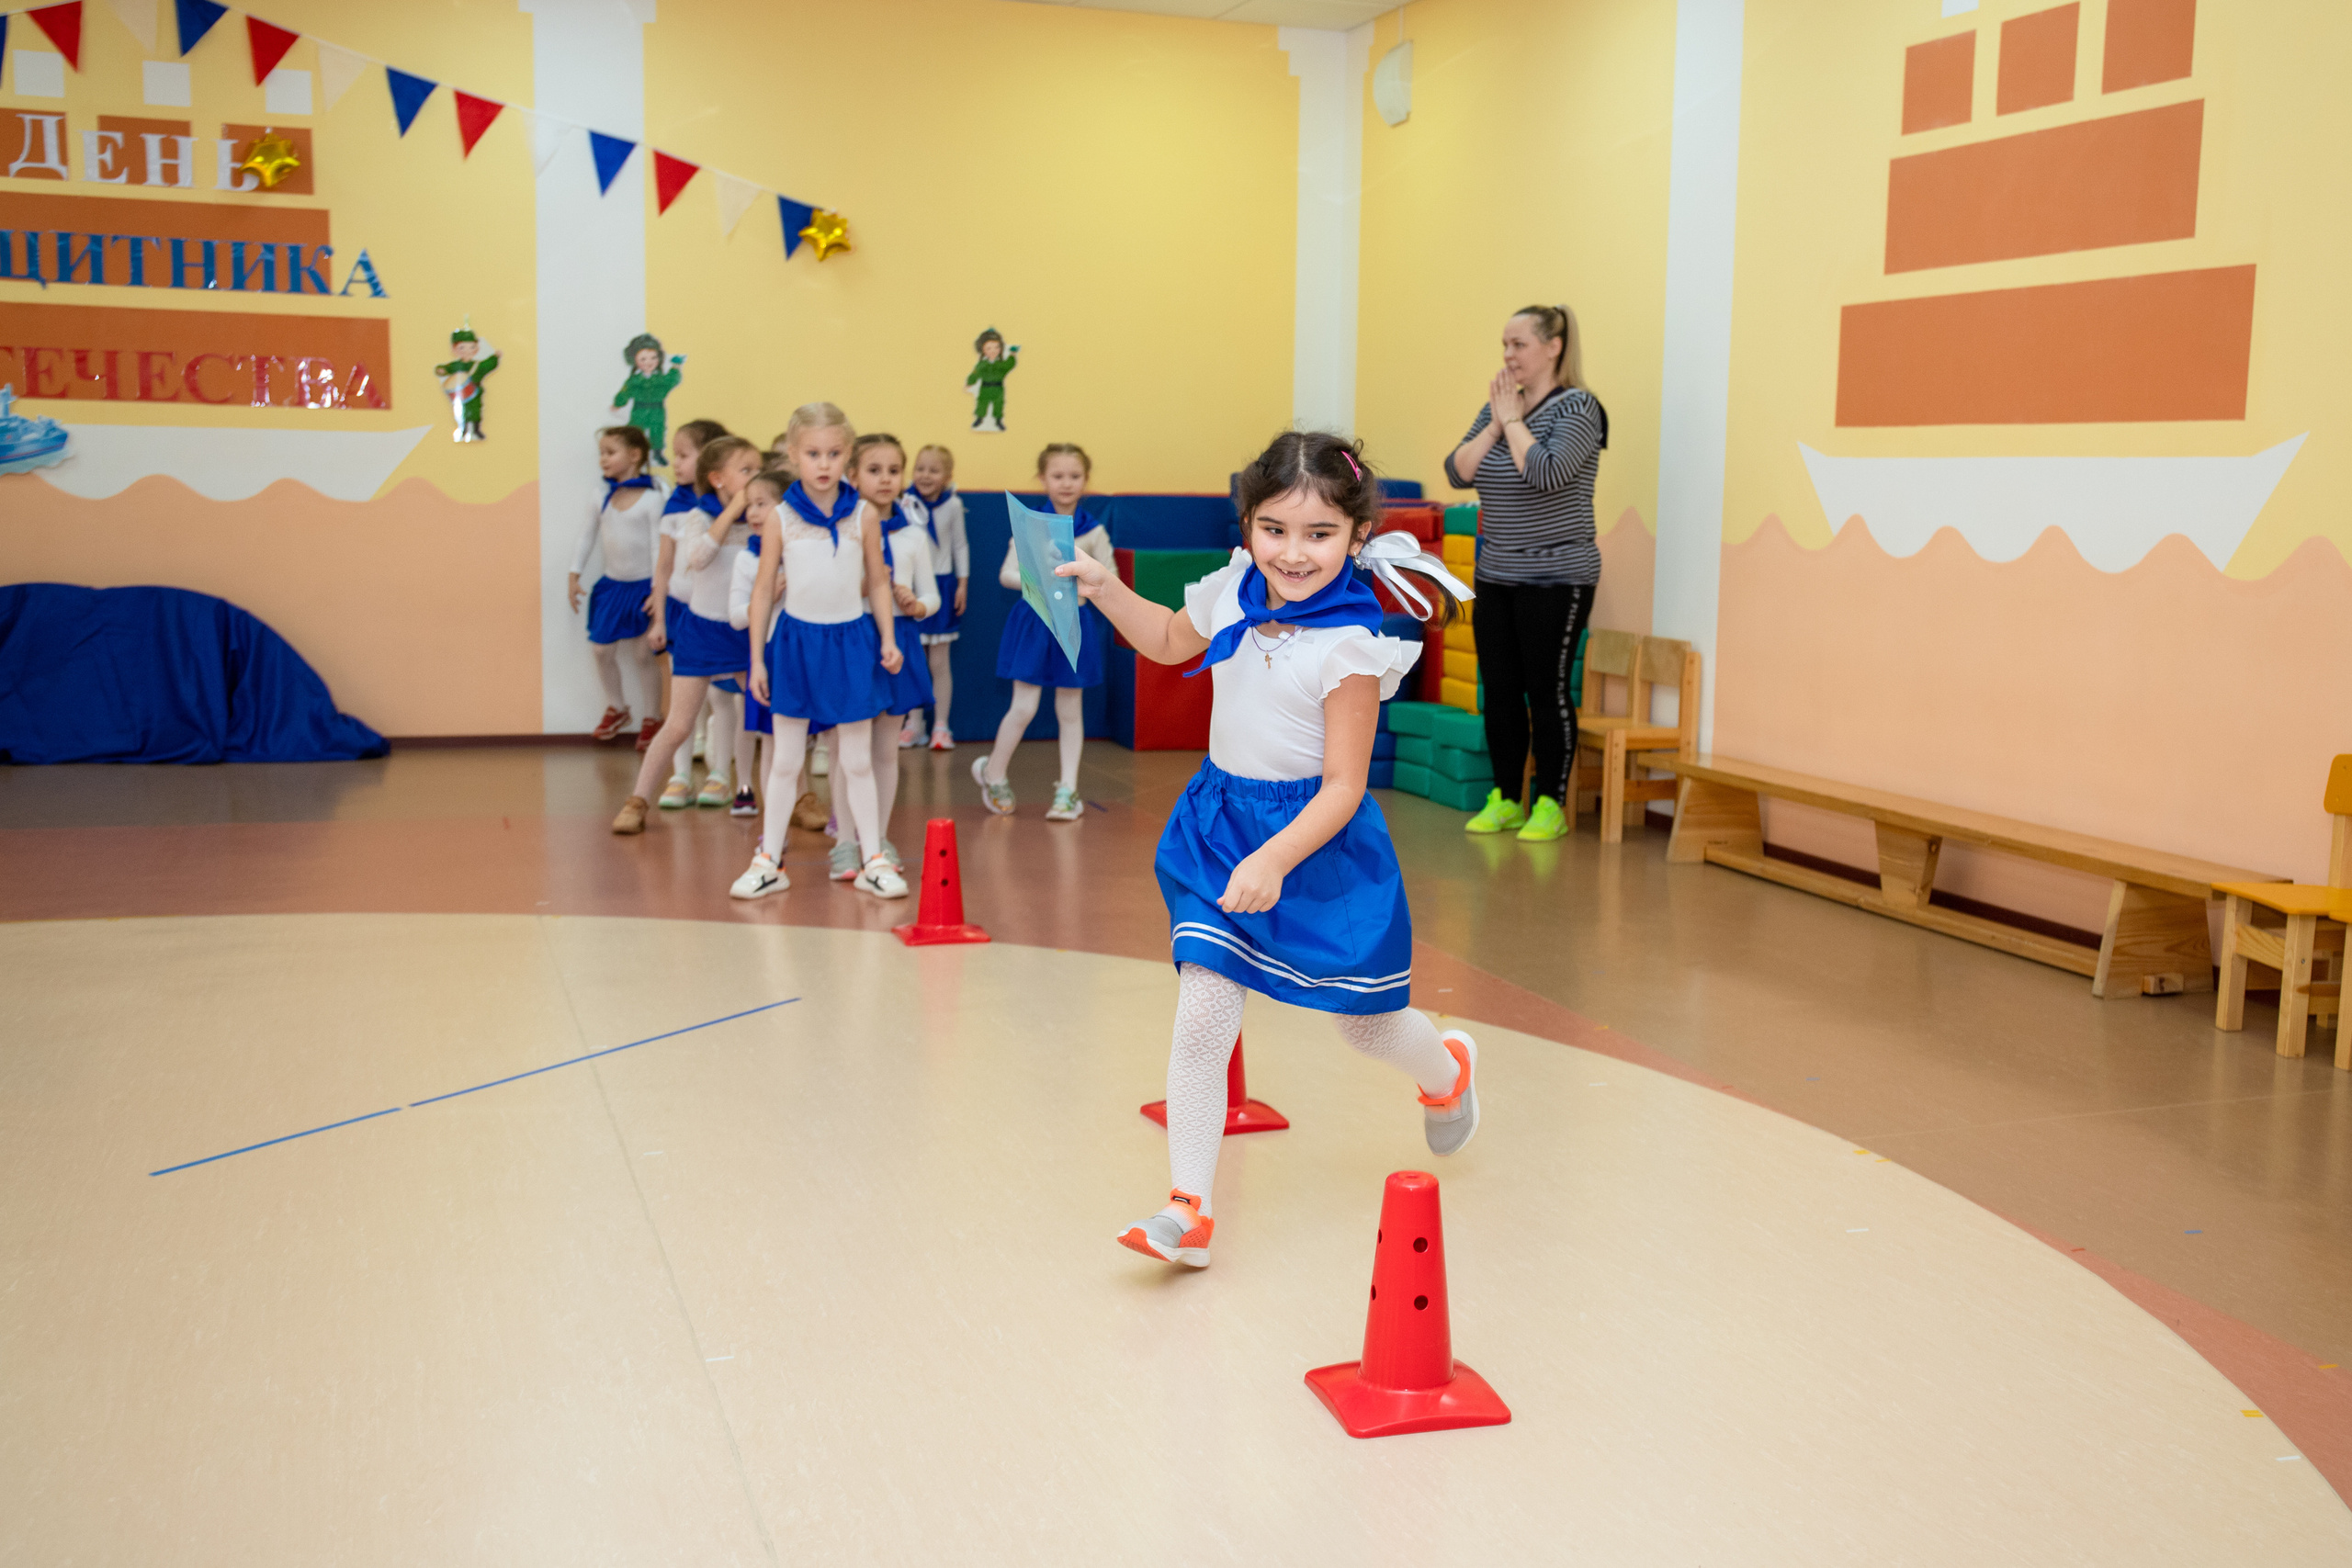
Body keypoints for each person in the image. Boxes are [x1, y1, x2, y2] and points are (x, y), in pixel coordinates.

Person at [1056, 431, 1478, 1269]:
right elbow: (1172, 640)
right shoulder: (1231, 590)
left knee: (1366, 1026)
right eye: (1274, 529)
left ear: (1356, 537)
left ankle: (1449, 1069)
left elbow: (1344, 788)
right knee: (1204, 1012)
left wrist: (1276, 859)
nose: (1293, 553)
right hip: (1221, 828)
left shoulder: (1350, 644)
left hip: (1316, 846)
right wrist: (1107, 590)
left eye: (1319, 534)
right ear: (1246, 525)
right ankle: (1190, 1207)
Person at [730, 406, 910, 902]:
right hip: (794, 645)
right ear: (794, 456)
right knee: (786, 760)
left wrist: (888, 638)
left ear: (847, 457)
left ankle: (872, 858)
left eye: (834, 454)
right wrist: (758, 658)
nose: (823, 464)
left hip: (851, 645)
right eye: (813, 454)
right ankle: (769, 860)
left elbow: (878, 581)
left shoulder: (864, 515)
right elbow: (764, 590)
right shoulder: (781, 518)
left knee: (855, 760)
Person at [1442, 302, 1607, 842]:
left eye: (1519, 345)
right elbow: (1458, 470)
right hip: (1498, 574)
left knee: (1546, 688)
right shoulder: (1499, 406)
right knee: (1502, 690)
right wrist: (1496, 423)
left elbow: (1547, 472)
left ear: (1553, 346)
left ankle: (1550, 805)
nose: (1508, 356)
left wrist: (1512, 422)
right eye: (1504, 346)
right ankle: (1507, 797)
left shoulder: (1579, 408)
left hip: (1558, 576)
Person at [614, 435, 760, 834]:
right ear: (717, 479)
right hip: (701, 631)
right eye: (746, 471)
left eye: (757, 470)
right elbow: (697, 559)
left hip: (745, 632)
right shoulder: (698, 516)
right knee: (678, 724)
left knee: (759, 717)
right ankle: (638, 800)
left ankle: (761, 790)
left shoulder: (763, 519)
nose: (754, 478)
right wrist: (731, 511)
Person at [821, 433, 940, 884]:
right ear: (853, 476)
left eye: (893, 470)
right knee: (845, 750)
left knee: (886, 750)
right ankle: (846, 842)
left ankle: (879, 837)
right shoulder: (841, 530)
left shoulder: (913, 535)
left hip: (901, 643)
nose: (885, 479)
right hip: (853, 641)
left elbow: (931, 594)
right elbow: (824, 593)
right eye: (874, 470)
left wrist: (916, 605)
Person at [975, 443, 1112, 822]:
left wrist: (1082, 582)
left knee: (1070, 709)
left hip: (1074, 622)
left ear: (1085, 480)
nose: (1066, 484)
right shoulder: (1031, 525)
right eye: (1058, 476)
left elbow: (1109, 576)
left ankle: (1068, 790)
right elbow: (1006, 573)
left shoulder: (1094, 531)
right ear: (1043, 479)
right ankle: (993, 773)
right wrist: (1038, 580)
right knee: (1023, 707)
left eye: (1075, 476)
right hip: (1035, 622)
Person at [565, 425, 662, 742]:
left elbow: (658, 547)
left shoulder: (652, 499)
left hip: (644, 587)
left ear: (635, 456)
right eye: (601, 453)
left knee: (643, 655)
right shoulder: (602, 496)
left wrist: (659, 591)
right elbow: (587, 535)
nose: (603, 459)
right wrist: (574, 573)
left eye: (610, 452)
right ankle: (617, 707)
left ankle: (652, 716)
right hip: (613, 586)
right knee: (601, 649)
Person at [643, 417, 729, 759]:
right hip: (681, 610)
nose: (674, 463)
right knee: (685, 698)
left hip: (717, 613)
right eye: (674, 455)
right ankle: (683, 767)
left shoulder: (728, 509)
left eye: (683, 455)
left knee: (721, 696)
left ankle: (720, 770)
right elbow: (664, 566)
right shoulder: (674, 505)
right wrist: (659, 617)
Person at [900, 443, 969, 750]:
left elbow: (959, 546)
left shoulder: (952, 506)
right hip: (910, 587)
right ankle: (914, 725)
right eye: (920, 468)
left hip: (941, 586)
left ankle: (941, 726)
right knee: (911, 659)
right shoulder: (903, 502)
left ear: (947, 476)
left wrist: (962, 584)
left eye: (934, 469)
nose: (925, 475)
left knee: (939, 662)